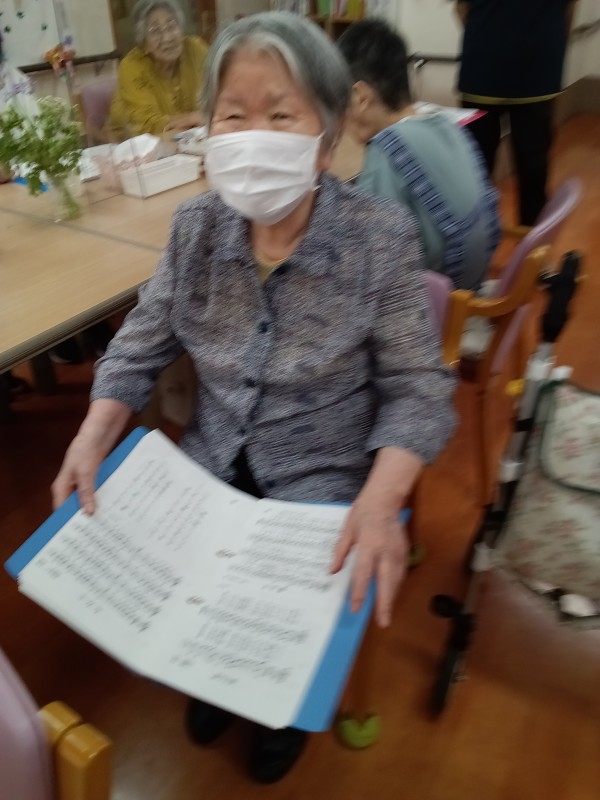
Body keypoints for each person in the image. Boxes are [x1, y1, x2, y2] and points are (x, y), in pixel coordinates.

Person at [53, 11, 455, 783]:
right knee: (184, 599)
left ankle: (280, 708)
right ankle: (215, 675)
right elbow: (139, 343)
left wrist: (382, 501)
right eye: (232, 115)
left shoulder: (379, 237)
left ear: (327, 136)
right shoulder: (196, 229)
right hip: (209, 468)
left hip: (323, 478)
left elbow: (418, 388)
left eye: (280, 114)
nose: (252, 136)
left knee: (282, 635)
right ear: (208, 129)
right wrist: (92, 434)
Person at [338, 18, 500, 291]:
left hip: (438, 300)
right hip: (474, 279)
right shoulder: (446, 124)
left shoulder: (386, 152)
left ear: (360, 97)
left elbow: (369, 257)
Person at [456, 0, 579, 225]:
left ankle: (530, 242)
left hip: (519, 72)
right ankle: (478, 241)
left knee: (531, 173)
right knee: (476, 172)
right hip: (494, 72)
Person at [108, 0, 208, 138]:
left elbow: (221, 92)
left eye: (171, 25)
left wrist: (203, 118)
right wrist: (193, 118)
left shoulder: (196, 49)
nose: (167, 38)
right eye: (155, 31)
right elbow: (146, 126)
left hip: (189, 139)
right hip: (132, 145)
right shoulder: (132, 66)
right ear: (144, 42)